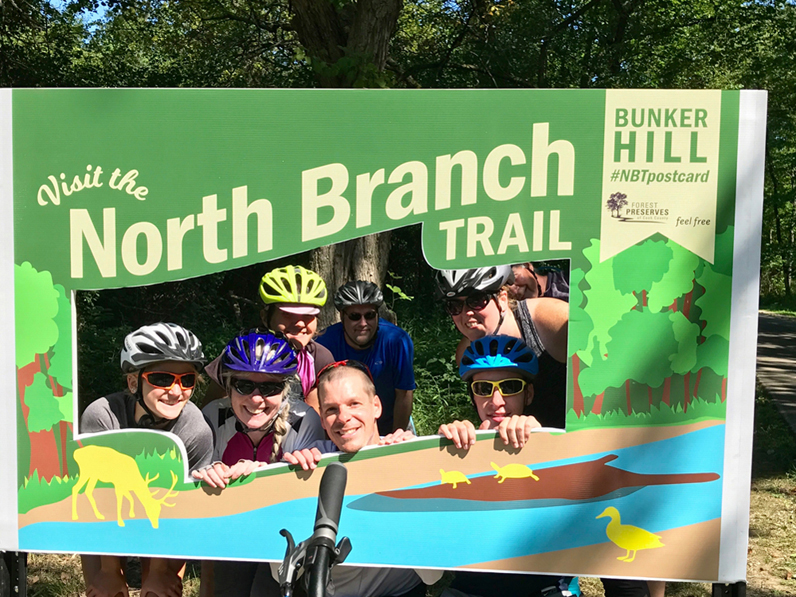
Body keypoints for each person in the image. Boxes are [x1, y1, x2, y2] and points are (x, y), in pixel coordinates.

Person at [283, 361, 440, 597]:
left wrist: (405, 475)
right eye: (331, 409)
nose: (343, 417)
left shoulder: (409, 454)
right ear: (323, 420)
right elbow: (281, 571)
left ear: (376, 406)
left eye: (354, 404)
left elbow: (433, 575)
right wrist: (289, 483)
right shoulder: (309, 462)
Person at [79, 323, 214, 597]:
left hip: (169, 517)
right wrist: (108, 571)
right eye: (162, 379)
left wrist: (159, 571)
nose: (177, 392)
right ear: (133, 382)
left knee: (159, 592)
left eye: (187, 380)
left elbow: (184, 507)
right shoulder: (102, 416)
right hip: (105, 513)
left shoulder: (196, 428)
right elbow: (99, 500)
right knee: (106, 591)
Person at [192, 330, 327, 596]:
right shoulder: (211, 417)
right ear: (228, 386)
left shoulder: (304, 420)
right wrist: (209, 474)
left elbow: (302, 499)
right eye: (244, 385)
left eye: (269, 387)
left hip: (284, 537)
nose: (256, 399)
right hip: (231, 534)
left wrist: (265, 477)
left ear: (285, 390)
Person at [435, 265, 568, 428]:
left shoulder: (550, 320)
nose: (466, 313)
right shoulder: (465, 353)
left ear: (502, 299)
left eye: (477, 301)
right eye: (454, 306)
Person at [203, 264, 334, 411]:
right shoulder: (240, 352)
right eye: (288, 314)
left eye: (308, 315)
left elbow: (317, 419)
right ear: (265, 317)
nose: (299, 323)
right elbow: (210, 413)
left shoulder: (318, 358)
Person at [315, 281, 415, 434]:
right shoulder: (324, 344)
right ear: (342, 316)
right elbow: (316, 399)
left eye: (369, 315)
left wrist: (397, 438)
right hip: (344, 427)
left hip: (391, 422)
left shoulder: (396, 340)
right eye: (355, 316)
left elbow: (404, 395)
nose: (363, 323)